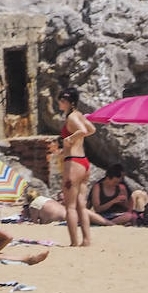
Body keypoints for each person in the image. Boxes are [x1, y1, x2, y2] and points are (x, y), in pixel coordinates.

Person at [56, 88, 96, 247]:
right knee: (81, 204)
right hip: (84, 162)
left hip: (73, 163)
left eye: (63, 100)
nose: (60, 103)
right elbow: (92, 130)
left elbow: (84, 130)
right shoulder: (79, 115)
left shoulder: (72, 117)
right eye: (60, 100)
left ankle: (74, 242)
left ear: (71, 102)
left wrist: (70, 139)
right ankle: (86, 240)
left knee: (70, 206)